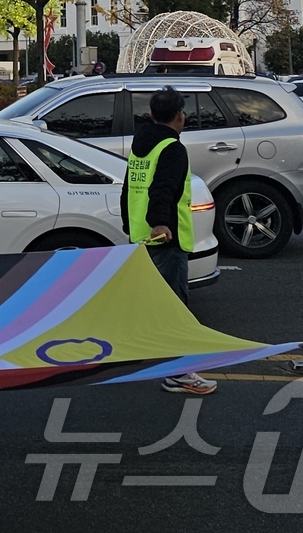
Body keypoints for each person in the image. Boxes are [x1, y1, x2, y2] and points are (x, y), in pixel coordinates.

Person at [121, 86, 217, 396]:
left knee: (152, 302)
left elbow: (129, 189)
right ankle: (179, 373)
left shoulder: (141, 146)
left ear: (151, 114)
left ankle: (139, 354)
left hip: (141, 236)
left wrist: (131, 225)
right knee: (176, 306)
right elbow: (162, 189)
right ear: (179, 116)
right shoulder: (172, 149)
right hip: (164, 239)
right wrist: (160, 224)